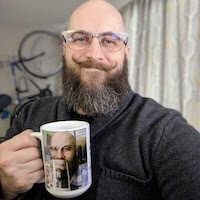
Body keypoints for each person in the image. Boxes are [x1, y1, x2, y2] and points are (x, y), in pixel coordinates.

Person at [0, 0, 200, 199]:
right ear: (64, 49)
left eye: (110, 40)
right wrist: (4, 187)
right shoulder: (29, 115)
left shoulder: (164, 132)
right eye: (80, 38)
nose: (94, 54)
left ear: (126, 53)